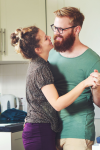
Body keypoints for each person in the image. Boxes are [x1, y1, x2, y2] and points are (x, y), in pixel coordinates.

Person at [10, 26, 96, 150]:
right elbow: (57, 104)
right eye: (45, 38)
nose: (50, 37)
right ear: (38, 49)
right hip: (39, 131)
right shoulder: (40, 68)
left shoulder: (39, 64)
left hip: (39, 129)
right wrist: (84, 83)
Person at [48, 7, 100, 150]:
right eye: (55, 28)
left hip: (78, 132)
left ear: (76, 30)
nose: (56, 33)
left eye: (61, 30)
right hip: (50, 130)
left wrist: (96, 88)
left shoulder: (93, 61)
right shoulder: (50, 54)